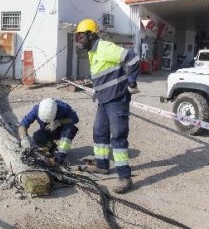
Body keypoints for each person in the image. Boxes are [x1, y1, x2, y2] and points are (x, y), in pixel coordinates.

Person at [74, 18, 140, 194]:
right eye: (77, 37)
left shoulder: (104, 47)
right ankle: (102, 165)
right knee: (99, 132)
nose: (78, 40)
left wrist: (132, 82)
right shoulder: (92, 52)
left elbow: (132, 58)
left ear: (90, 35)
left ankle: (125, 178)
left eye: (80, 36)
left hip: (117, 99)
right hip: (104, 100)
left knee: (118, 136)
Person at [18, 98, 79, 164]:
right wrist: (24, 138)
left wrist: (59, 122)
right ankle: (51, 147)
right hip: (48, 131)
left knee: (69, 128)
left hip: (62, 132)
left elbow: (75, 119)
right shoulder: (36, 110)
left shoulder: (63, 107)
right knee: (36, 138)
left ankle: (61, 155)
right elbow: (23, 125)